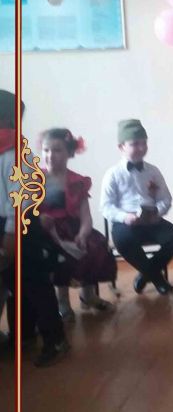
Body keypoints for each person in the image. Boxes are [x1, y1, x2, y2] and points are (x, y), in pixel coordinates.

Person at [0, 90, 69, 366]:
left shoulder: (15, 155)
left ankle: (56, 338)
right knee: (15, 285)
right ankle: (23, 335)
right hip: (7, 227)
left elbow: (20, 201)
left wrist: (10, 234)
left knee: (35, 285)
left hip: (21, 229)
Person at [39, 128, 116, 320]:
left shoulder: (77, 181)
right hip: (44, 230)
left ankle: (88, 295)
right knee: (60, 257)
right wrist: (39, 219)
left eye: (57, 150)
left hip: (72, 228)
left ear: (69, 153)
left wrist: (82, 233)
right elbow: (26, 211)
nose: (50, 155)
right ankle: (63, 302)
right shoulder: (35, 180)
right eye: (46, 150)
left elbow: (86, 216)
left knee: (94, 246)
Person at [100, 119, 173, 295]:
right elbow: (106, 206)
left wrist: (158, 212)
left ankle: (146, 275)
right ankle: (158, 279)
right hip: (126, 223)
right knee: (123, 241)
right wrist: (125, 217)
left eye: (144, 143)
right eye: (135, 144)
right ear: (121, 147)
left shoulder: (153, 171)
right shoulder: (113, 174)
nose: (141, 148)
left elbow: (165, 198)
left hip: (151, 220)